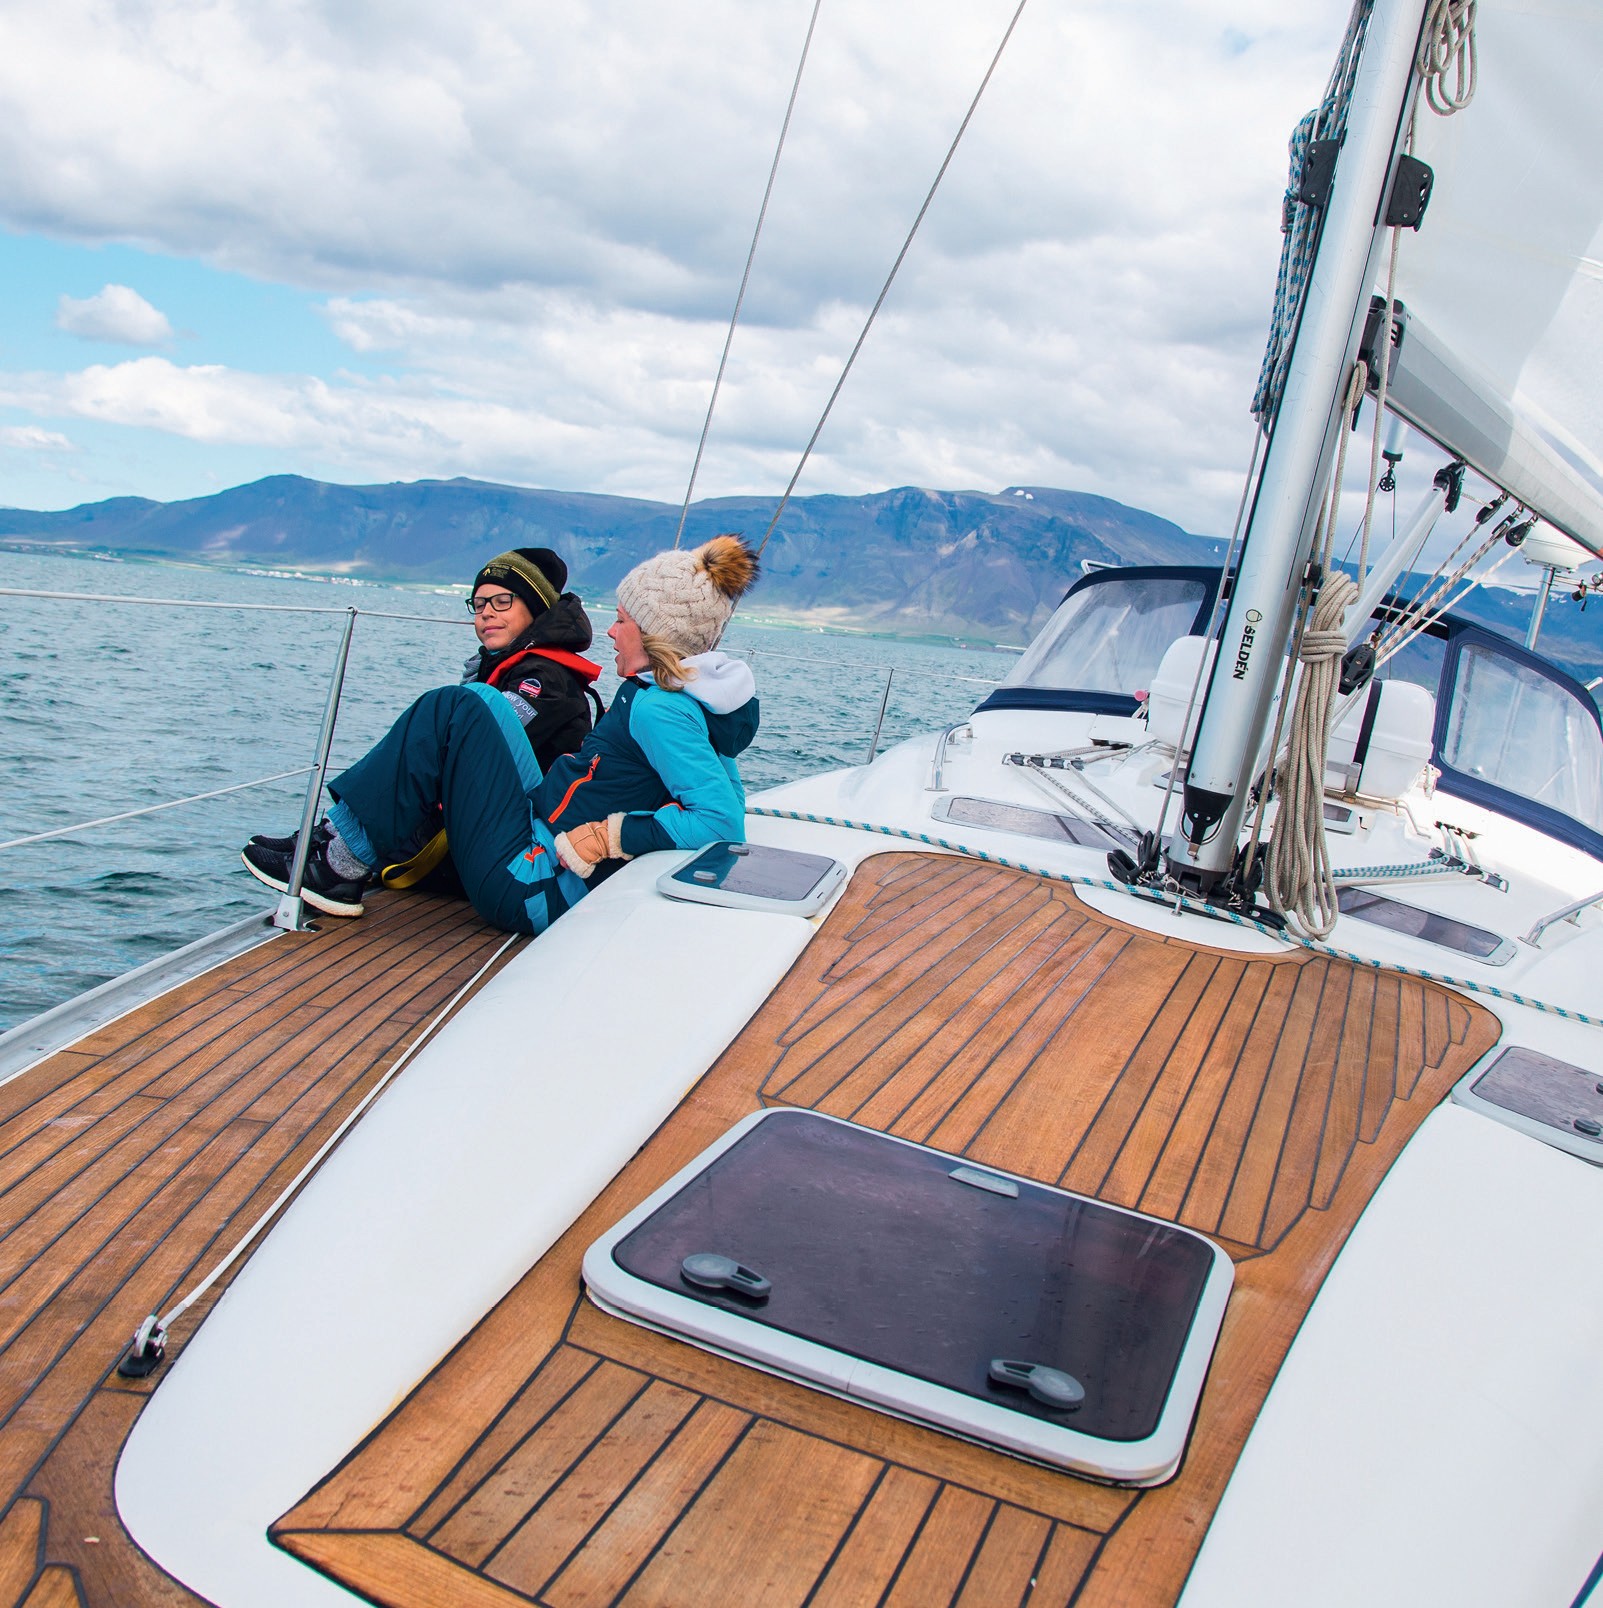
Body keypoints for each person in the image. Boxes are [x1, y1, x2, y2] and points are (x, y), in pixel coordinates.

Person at [241, 535, 760, 933]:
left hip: (532, 881)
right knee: (474, 701)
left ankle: (339, 863)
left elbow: (721, 821)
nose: (610, 631)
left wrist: (608, 836)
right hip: (538, 837)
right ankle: (337, 849)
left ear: (653, 634)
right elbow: (727, 791)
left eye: (622, 621)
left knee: (453, 707)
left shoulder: (659, 710)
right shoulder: (681, 698)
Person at [463, 547, 602, 772]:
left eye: (502, 602)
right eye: (479, 605)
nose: (486, 612)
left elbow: (481, 747)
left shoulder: (544, 678)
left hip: (530, 793)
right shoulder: (494, 665)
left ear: (535, 609)